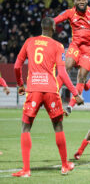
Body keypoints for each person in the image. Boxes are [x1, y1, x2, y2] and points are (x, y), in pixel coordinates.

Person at [12, 17, 84, 177]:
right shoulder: (58, 46)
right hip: (51, 90)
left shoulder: (29, 42)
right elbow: (63, 74)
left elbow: (17, 66)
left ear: (41, 27)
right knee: (58, 127)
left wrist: (20, 84)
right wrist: (75, 94)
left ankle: (26, 170)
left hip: (33, 89)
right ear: (53, 27)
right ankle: (65, 165)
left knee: (25, 127)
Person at [54, 0, 90, 115]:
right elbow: (55, 20)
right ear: (74, 2)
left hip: (89, 49)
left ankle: (71, 106)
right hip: (76, 46)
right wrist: (47, 23)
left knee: (82, 75)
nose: (82, 1)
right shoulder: (70, 12)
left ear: (87, 0)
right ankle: (54, 92)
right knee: (66, 66)